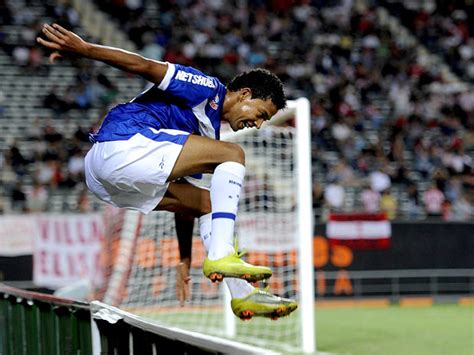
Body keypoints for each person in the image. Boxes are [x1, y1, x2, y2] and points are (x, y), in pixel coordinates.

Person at [37, 23, 297, 320]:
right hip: (122, 145)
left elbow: (187, 206)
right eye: (261, 114)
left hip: (106, 183)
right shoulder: (207, 88)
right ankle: (221, 253)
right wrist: (86, 49)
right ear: (245, 94)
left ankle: (242, 296)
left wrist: (184, 259)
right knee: (234, 154)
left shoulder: (207, 137)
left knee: (208, 203)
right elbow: (143, 65)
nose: (259, 125)